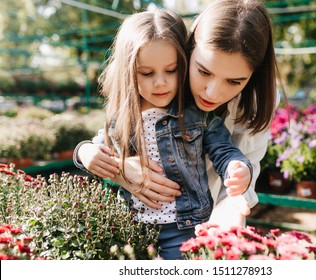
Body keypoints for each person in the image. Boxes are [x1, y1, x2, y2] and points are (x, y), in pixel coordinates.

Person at [75, 0, 279, 239]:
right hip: (138, 225)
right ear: (187, 51)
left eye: (234, 81)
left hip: (197, 224)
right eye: (203, 71)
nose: (212, 93)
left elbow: (241, 164)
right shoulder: (155, 84)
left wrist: (231, 203)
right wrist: (108, 163)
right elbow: (104, 143)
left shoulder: (250, 102)